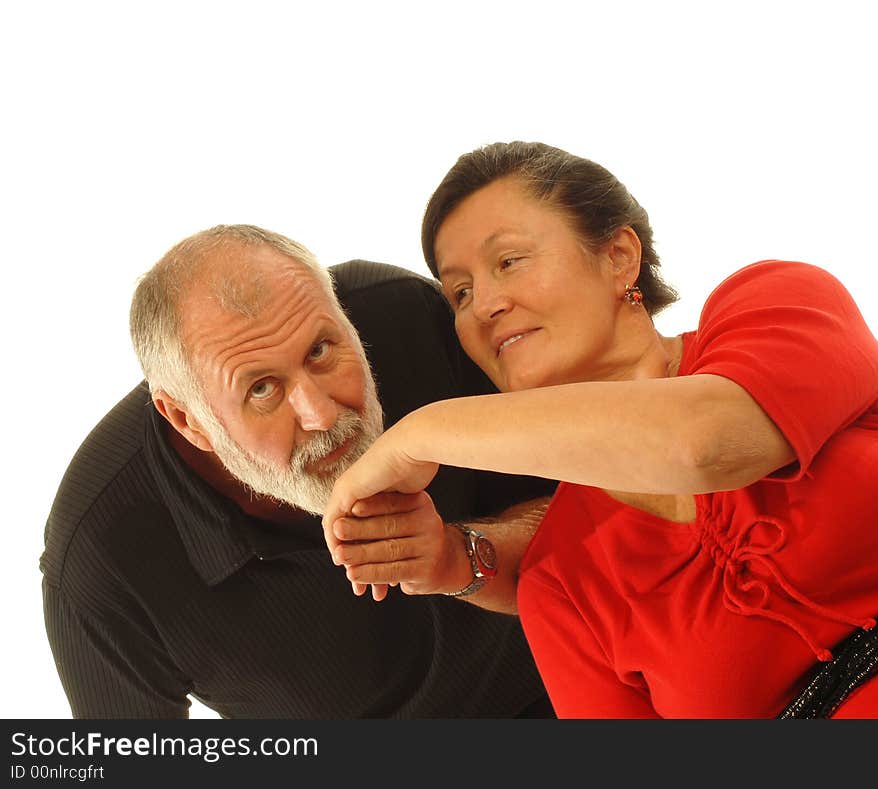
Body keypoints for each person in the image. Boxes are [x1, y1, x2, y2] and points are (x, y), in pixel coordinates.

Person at [323, 141, 878, 719]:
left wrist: (423, 431)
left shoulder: (773, 304)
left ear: (618, 256)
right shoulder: (559, 583)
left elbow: (703, 443)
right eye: (459, 293)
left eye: (508, 261)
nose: (483, 305)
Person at [40, 223, 557, 719]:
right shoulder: (99, 558)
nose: (322, 415)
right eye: (261, 389)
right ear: (186, 420)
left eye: (320, 351)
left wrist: (461, 551)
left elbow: (611, 503)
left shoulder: (408, 315)